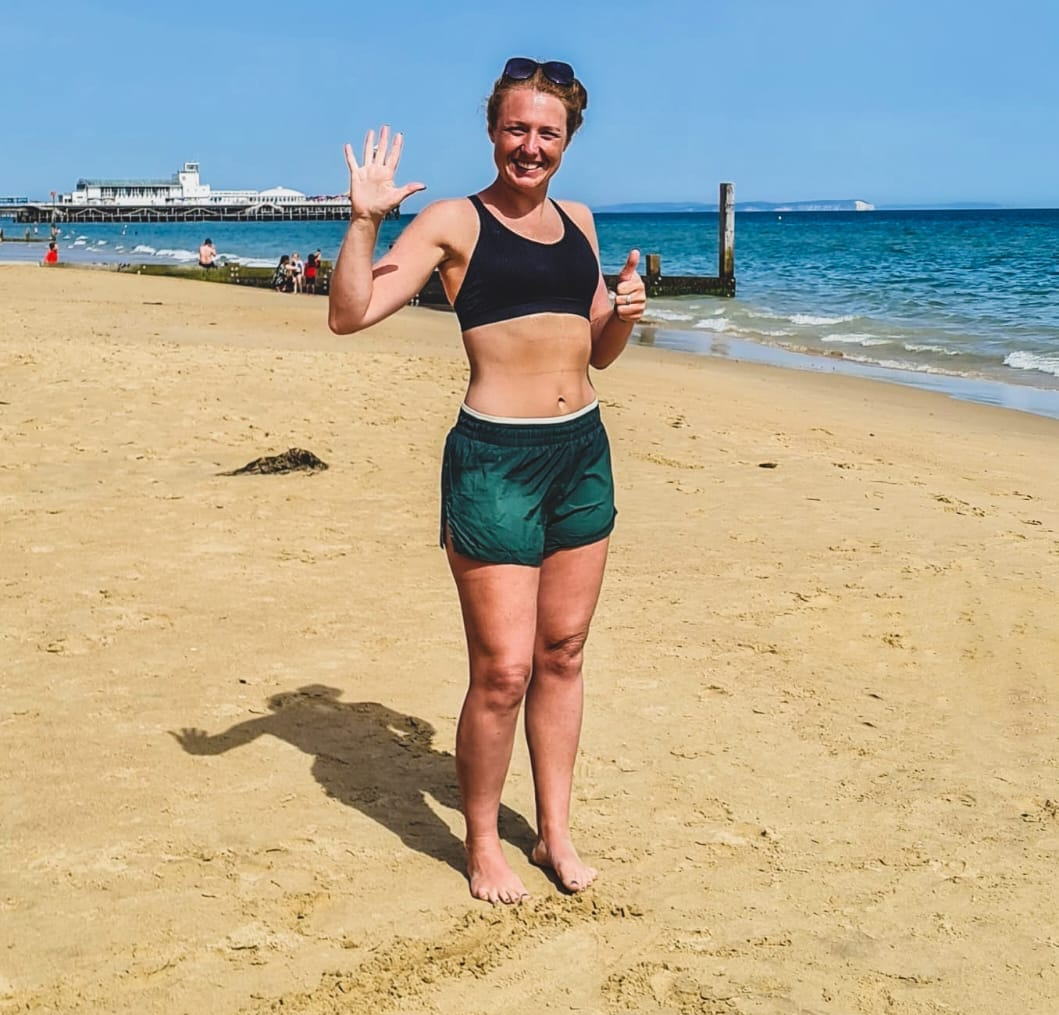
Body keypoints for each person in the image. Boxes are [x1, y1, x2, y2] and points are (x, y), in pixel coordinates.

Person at [328, 57, 646, 905]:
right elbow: (349, 313)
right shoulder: (452, 223)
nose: (530, 146)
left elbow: (596, 351)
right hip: (495, 461)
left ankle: (553, 831)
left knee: (563, 652)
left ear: (567, 139)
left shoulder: (579, 221)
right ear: (491, 132)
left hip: (581, 453)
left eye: (547, 132)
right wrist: (363, 220)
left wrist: (621, 312)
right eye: (516, 129)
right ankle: (479, 842)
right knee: (503, 669)